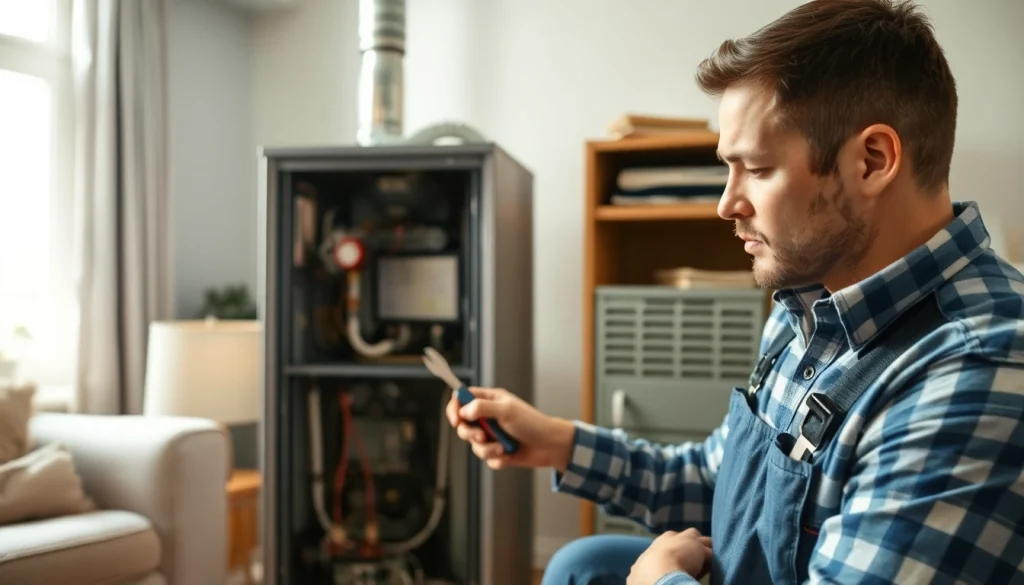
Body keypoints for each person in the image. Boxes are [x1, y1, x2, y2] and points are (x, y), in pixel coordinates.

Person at [446, 0, 1024, 583]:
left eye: (758, 168)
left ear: (872, 161)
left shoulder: (977, 370)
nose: (727, 203)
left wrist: (660, 583)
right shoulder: (807, 306)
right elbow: (723, 485)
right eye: (728, 167)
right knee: (582, 564)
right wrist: (557, 443)